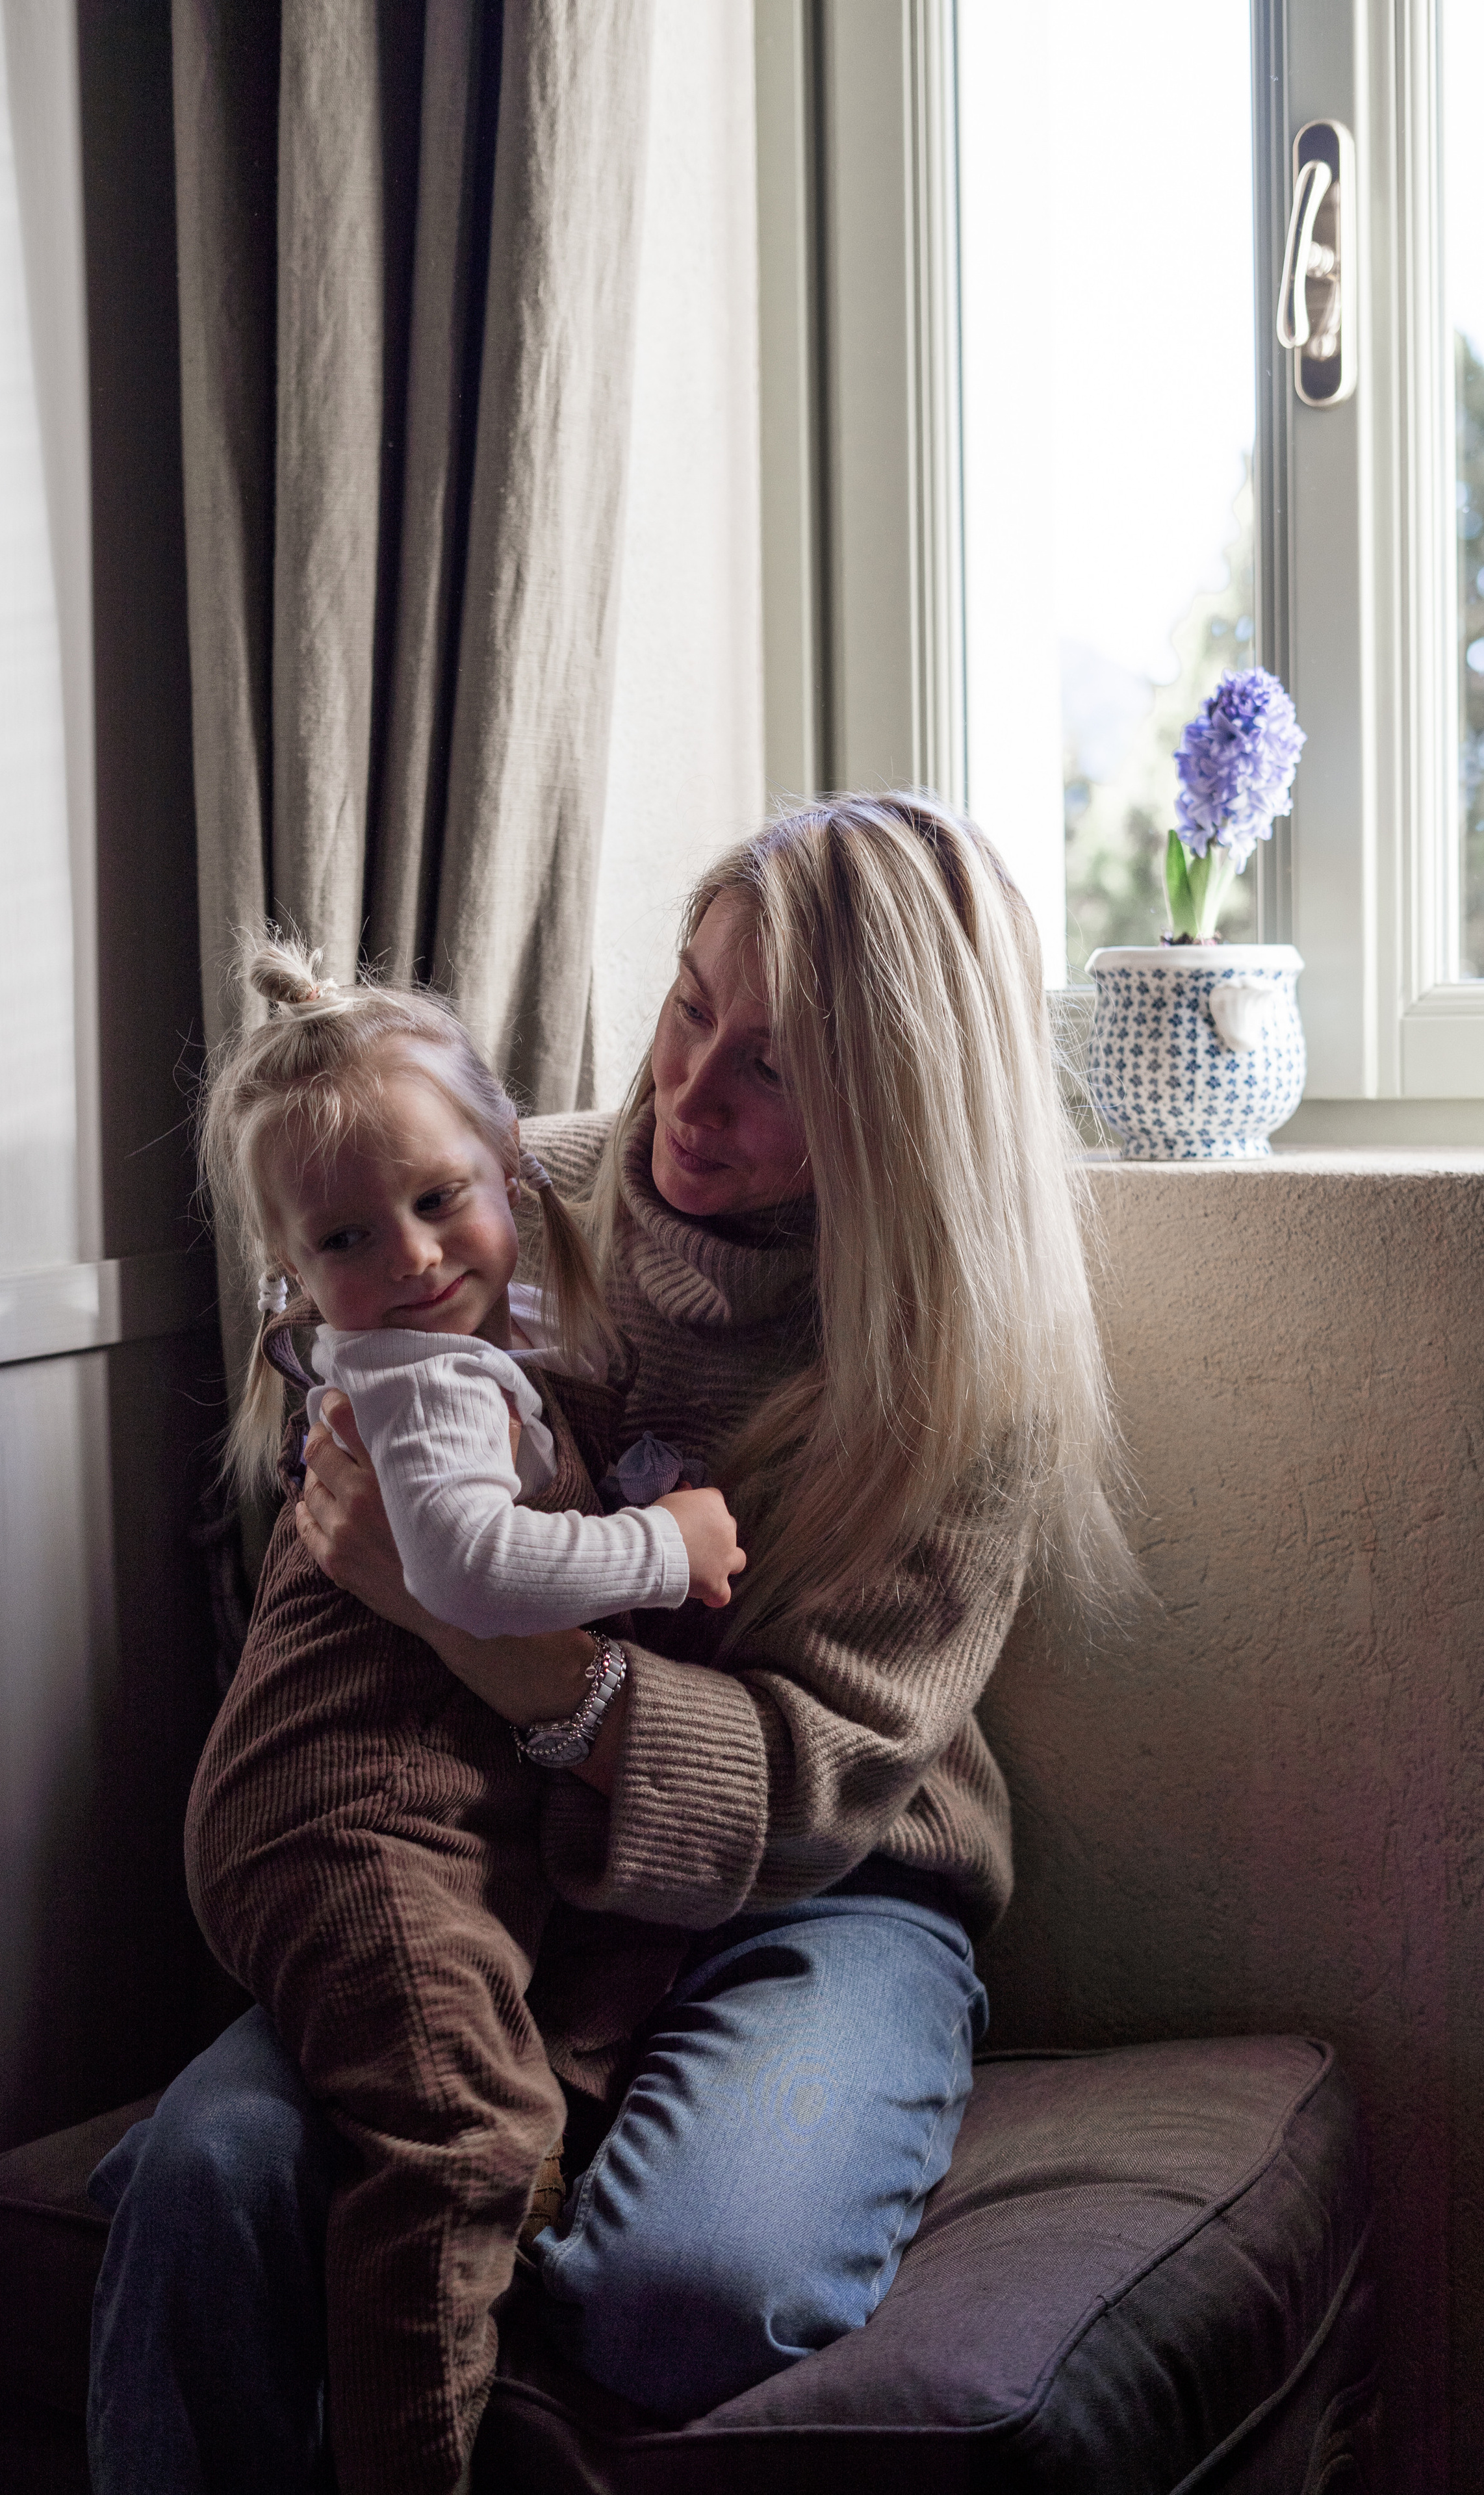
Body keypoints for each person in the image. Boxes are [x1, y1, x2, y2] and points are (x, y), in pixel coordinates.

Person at [88, 793, 1133, 2495]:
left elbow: (813, 1787)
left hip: (824, 1890)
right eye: (687, 1000)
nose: (688, 1091)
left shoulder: (962, 1374)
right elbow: (341, 1420)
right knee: (204, 2179)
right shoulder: (509, 1200)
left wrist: (499, 1638)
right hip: (484, 1856)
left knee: (683, 2292)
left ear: (900, 1112)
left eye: (776, 1071)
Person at [179, 936, 747, 2495]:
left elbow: (532, 1457)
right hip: (346, 1820)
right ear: (297, 1278)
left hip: (384, 1822)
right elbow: (482, 1568)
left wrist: (627, 1467)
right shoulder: (421, 1384)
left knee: (494, 2075)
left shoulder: (476, 1348)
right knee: (464, 2133)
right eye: (353, 1236)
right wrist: (666, 1544)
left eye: (443, 1200)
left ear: (511, 1167)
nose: (418, 1255)